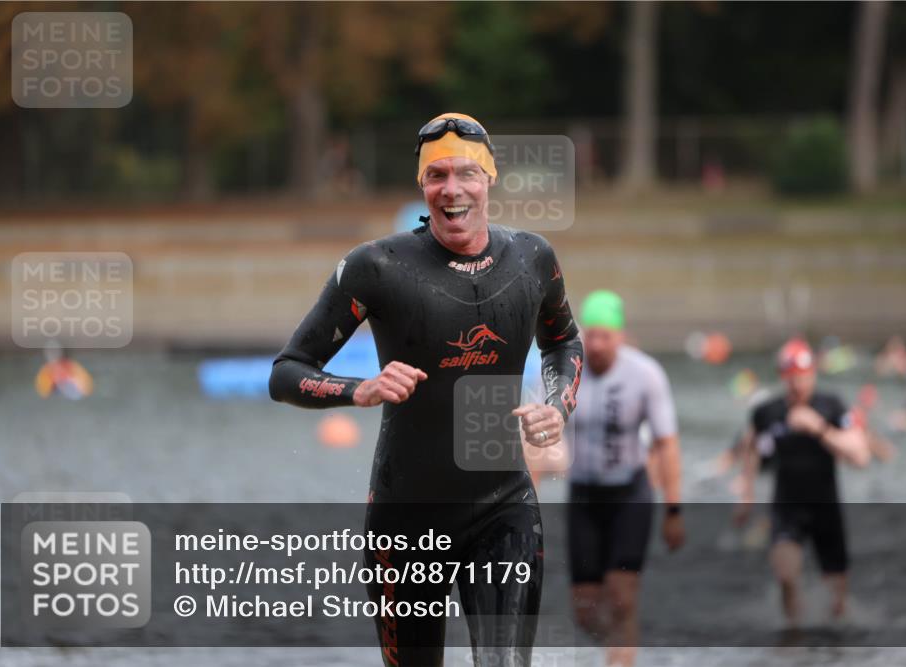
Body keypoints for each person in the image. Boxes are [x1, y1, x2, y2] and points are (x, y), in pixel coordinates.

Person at [269, 112, 584, 667]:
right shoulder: (378, 267)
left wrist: (558, 406)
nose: (452, 189)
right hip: (406, 515)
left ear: (490, 179)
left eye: (466, 174)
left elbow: (564, 343)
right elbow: (287, 371)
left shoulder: (532, 259)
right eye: (437, 176)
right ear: (422, 186)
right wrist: (358, 390)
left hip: (503, 507)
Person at [565, 290, 684, 667]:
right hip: (583, 497)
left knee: (622, 596)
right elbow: (539, 440)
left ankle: (622, 660)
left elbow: (667, 444)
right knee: (585, 612)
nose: (597, 345)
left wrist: (674, 509)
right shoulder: (569, 371)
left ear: (621, 335)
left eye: (606, 336)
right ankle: (616, 652)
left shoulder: (645, 374)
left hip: (629, 495)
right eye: (591, 336)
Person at [735, 338, 870, 626]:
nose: (798, 384)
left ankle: (832, 648)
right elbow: (749, 449)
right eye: (792, 377)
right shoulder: (766, 412)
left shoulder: (831, 406)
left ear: (814, 375)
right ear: (783, 377)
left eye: (804, 377)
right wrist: (746, 495)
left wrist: (817, 428)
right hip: (787, 509)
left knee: (837, 605)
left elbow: (860, 456)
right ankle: (793, 640)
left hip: (826, 509)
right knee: (786, 576)